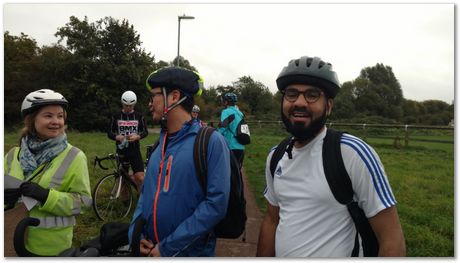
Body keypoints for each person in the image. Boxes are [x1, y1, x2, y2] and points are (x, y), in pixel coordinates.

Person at [256, 56, 406, 257]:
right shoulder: (276, 156)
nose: (299, 102)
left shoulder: (352, 153)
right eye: (291, 94)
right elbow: (272, 220)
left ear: (329, 106)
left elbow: (392, 240)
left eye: (312, 95)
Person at [128, 67, 231, 257]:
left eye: (154, 97)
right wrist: (135, 234)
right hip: (150, 250)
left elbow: (216, 204)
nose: (150, 103)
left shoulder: (211, 141)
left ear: (174, 97)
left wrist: (167, 247)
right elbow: (145, 195)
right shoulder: (159, 144)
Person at [4, 89, 92, 256]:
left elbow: (84, 203)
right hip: (11, 240)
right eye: (48, 116)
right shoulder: (12, 155)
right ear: (31, 120)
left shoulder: (75, 156)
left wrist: (46, 196)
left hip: (50, 248)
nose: (56, 121)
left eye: (60, 116)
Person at [108, 90, 148, 191]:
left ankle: (141, 200)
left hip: (134, 151)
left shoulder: (139, 117)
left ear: (134, 104)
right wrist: (117, 137)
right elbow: (109, 132)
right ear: (122, 103)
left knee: (140, 177)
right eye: (126, 105)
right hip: (121, 151)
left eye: (131, 106)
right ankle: (126, 203)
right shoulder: (116, 117)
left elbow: (145, 132)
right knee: (123, 178)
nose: (128, 107)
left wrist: (138, 136)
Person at [217, 92, 245, 168]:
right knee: (237, 172)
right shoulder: (240, 113)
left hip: (230, 146)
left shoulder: (226, 112)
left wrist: (215, 134)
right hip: (241, 146)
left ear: (226, 102)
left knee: (229, 172)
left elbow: (223, 128)